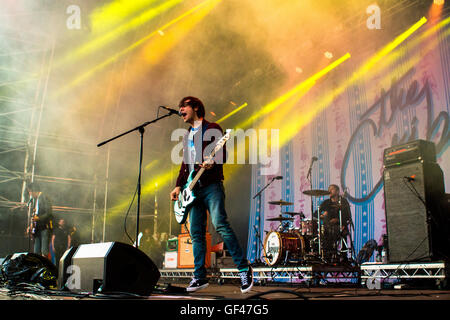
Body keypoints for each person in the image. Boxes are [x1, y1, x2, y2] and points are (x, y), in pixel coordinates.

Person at [170, 96, 253, 293]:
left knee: (221, 224)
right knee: (197, 234)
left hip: (211, 186)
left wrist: (212, 162)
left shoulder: (211, 127)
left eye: (184, 106)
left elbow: (222, 153)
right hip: (193, 189)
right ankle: (199, 277)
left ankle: (243, 268)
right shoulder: (187, 134)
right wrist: (178, 186)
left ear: (196, 107)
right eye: (179, 107)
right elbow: (185, 164)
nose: (180, 110)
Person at [319, 184, 353, 262]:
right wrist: (322, 215)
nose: (329, 191)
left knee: (341, 231)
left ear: (337, 191)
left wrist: (338, 220)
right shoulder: (326, 203)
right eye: (329, 189)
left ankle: (344, 257)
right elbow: (316, 213)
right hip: (328, 227)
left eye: (332, 189)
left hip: (340, 225)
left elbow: (348, 216)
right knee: (324, 232)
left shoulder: (343, 201)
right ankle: (327, 256)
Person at [27, 182, 53, 258]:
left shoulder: (44, 197)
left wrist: (38, 218)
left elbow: (49, 213)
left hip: (44, 227)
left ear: (34, 190)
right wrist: (31, 225)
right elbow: (36, 214)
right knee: (36, 252)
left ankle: (45, 268)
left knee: (44, 251)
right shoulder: (35, 200)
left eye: (30, 191)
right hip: (37, 228)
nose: (30, 194)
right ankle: (38, 267)